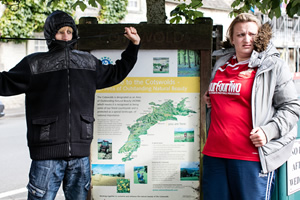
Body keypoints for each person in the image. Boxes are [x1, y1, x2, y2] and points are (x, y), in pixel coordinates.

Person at [0, 10, 140, 200]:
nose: (65, 36)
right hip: (46, 157)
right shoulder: (34, 64)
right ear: (50, 34)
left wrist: (133, 45)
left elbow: (116, 72)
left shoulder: (88, 62)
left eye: (69, 31)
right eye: (60, 32)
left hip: (80, 157)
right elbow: (4, 83)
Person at [202, 13, 300, 200]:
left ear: (260, 36)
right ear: (232, 39)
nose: (247, 39)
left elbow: (291, 107)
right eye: (240, 35)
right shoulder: (222, 63)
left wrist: (268, 131)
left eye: (252, 34)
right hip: (215, 153)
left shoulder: (273, 66)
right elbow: (227, 95)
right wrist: (211, 97)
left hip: (251, 158)